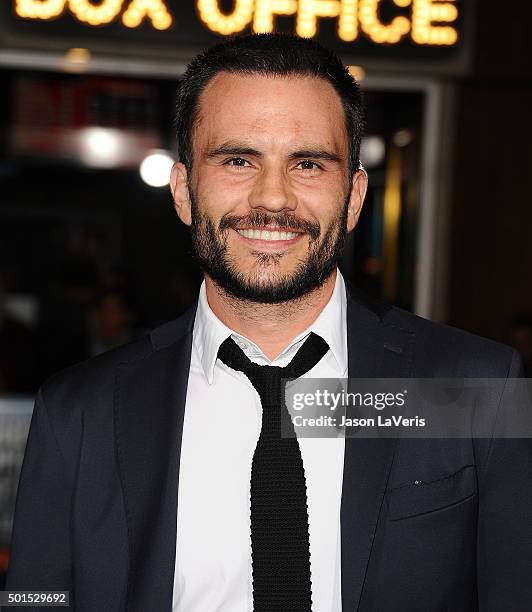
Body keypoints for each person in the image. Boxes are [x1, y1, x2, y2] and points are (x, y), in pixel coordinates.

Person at [5, 33, 531, 612]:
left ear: (354, 197)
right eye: (237, 160)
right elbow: (36, 597)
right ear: (183, 191)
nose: (273, 198)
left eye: (307, 163)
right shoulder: (82, 410)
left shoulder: (476, 388)